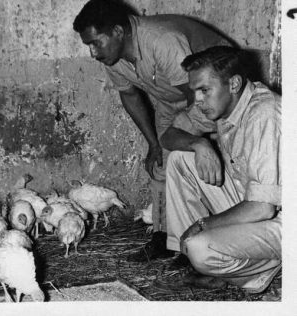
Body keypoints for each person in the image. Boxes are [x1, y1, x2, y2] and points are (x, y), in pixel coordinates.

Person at [73, 0, 231, 261]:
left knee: (189, 164)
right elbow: (131, 96)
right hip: (173, 102)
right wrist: (154, 143)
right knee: (161, 166)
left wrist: (190, 140)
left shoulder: (162, 42)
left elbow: (197, 95)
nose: (92, 52)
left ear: (118, 32)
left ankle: (200, 245)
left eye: (95, 43)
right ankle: (165, 238)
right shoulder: (112, 57)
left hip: (213, 97)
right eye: (88, 45)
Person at [161, 46, 281, 292]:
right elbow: (168, 136)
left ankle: (256, 272)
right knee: (180, 159)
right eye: (195, 91)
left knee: (200, 247)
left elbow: (263, 207)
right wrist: (199, 142)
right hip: (252, 202)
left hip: (281, 219)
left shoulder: (264, 113)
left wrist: (205, 224)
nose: (198, 100)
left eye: (204, 90)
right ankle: (197, 261)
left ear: (234, 83)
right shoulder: (224, 102)